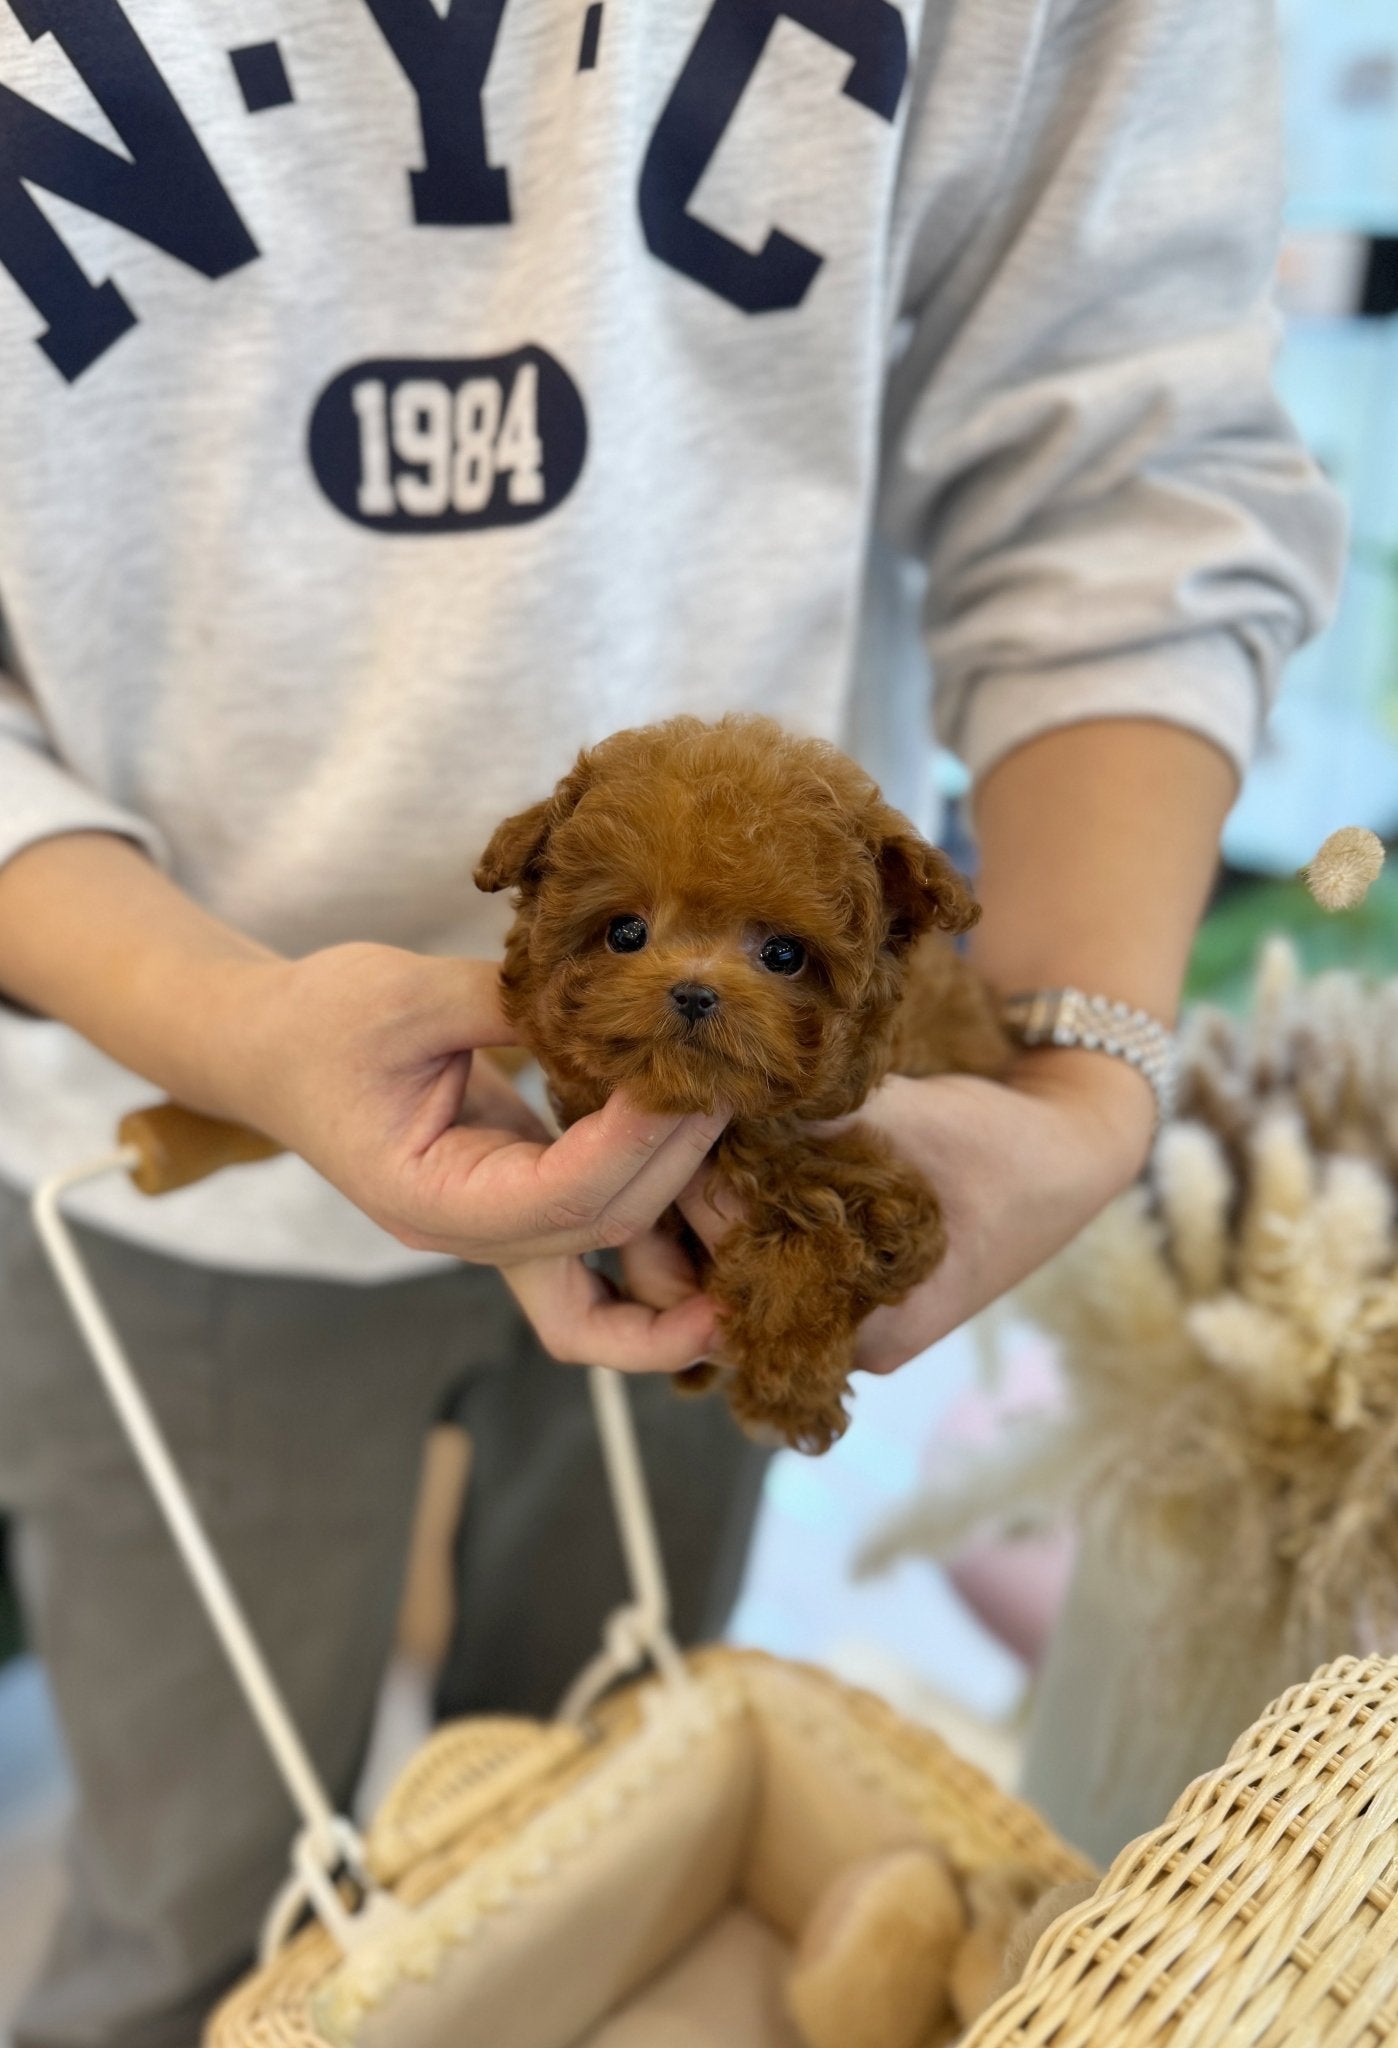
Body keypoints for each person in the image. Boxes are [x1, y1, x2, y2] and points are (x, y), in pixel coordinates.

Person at [0, 3, 1343, 2043]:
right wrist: (215, 1024)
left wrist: (1079, 1076)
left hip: (724, 1203)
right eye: (635, 930)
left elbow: (1125, 458)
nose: (700, 977)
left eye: (762, 953)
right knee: (197, 1897)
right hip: (153, 1148)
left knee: (619, 1804)